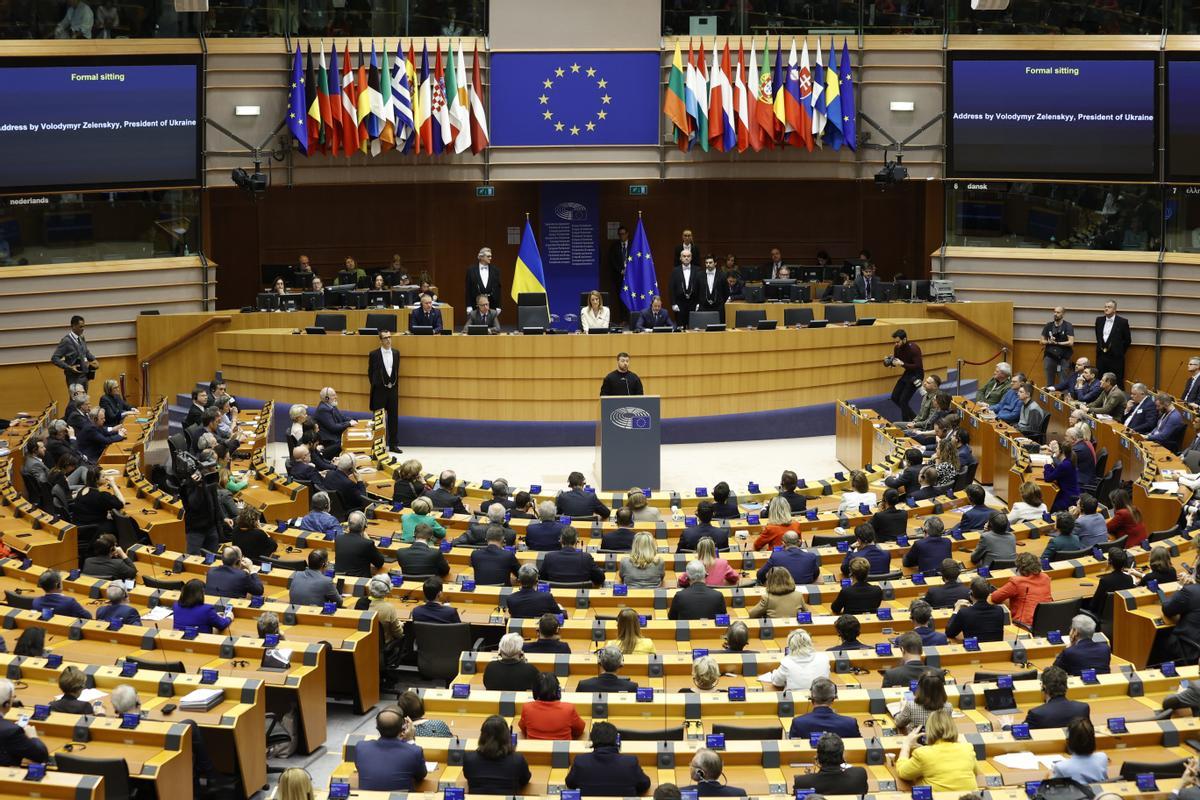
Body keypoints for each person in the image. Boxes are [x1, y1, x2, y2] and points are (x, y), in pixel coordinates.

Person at [891, 708, 979, 792]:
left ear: (929, 730)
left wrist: (906, 744)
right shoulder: (967, 748)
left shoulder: (922, 754)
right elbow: (976, 772)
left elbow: (903, 772)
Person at [564, 721, 651, 796]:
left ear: (593, 740)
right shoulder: (630, 762)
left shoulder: (580, 761)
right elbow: (644, 785)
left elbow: (570, 784)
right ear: (615, 739)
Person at [354, 707, 427, 791]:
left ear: (377, 728)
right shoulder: (414, 752)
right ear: (403, 728)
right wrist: (410, 740)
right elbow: (421, 775)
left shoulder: (361, 747)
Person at [464, 715, 532, 794]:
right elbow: (525, 780)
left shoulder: (469, 759)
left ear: (482, 735)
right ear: (507, 736)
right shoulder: (517, 760)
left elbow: (468, 777)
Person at [989, 551, 1053, 628]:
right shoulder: (1045, 578)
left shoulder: (1017, 582)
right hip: (1046, 621)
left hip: (1024, 625)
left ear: (1020, 569)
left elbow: (995, 597)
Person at [788, 677, 860, 739]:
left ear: (812, 698)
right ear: (833, 699)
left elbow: (793, 750)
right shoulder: (850, 723)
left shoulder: (798, 723)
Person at [518, 673, 584, 740]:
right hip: (561, 750)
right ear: (558, 691)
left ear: (534, 692)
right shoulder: (568, 708)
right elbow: (579, 730)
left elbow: (523, 729)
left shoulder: (527, 708)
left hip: (535, 749)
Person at [760, 629, 830, 691]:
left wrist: (775, 673)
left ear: (790, 645)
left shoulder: (787, 662)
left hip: (795, 701)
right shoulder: (824, 658)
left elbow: (777, 682)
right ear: (810, 642)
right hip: (820, 698)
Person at [0, 679, 48, 766]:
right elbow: (41, 756)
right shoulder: (12, 732)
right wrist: (33, 736)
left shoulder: (10, 729)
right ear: (6, 704)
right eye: (13, 698)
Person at [1023, 666, 1089, 728]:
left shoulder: (1036, 713)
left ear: (1044, 687)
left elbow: (1022, 733)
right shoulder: (1082, 708)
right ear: (1065, 686)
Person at [367, 330, 401, 451]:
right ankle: (378, 445)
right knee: (378, 418)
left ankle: (393, 444)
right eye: (385, 338)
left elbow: (396, 371)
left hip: (393, 391)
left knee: (393, 418)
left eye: (389, 337)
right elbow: (370, 373)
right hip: (379, 391)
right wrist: (378, 385)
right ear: (380, 340)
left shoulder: (396, 353)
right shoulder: (374, 354)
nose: (388, 340)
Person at [70, 466, 126, 537]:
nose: (106, 478)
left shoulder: (82, 490)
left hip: (80, 526)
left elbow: (92, 508)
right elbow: (122, 502)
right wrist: (113, 485)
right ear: (96, 479)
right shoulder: (101, 496)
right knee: (121, 525)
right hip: (91, 530)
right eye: (103, 476)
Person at [1050, 717, 1108, 784]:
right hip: (1100, 794)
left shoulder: (1060, 767)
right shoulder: (1102, 757)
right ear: (1093, 740)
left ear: (1069, 741)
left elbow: (1055, 789)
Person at [946, 578, 1006, 642]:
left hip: (973, 649)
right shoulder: (999, 610)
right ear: (988, 594)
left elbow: (949, 633)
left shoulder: (964, 613)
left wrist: (956, 609)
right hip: (995, 649)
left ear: (971, 593)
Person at [886, 329, 924, 422]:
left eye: (898, 342)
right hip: (908, 373)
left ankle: (906, 424)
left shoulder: (914, 348)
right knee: (894, 397)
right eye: (894, 342)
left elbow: (918, 365)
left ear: (904, 339)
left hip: (917, 374)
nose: (896, 344)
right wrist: (891, 362)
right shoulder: (897, 348)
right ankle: (915, 419)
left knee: (903, 401)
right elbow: (896, 360)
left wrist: (902, 364)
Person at [50, 315, 98, 388]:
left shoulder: (81, 337)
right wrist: (69, 367)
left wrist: (94, 359)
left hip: (85, 376)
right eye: (80, 327)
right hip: (73, 378)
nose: (83, 329)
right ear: (73, 326)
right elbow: (54, 358)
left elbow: (86, 352)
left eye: (83, 326)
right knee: (75, 399)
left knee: (84, 399)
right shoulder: (66, 341)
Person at [1087, 547, 1135, 616]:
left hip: (1104, 615)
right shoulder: (1129, 578)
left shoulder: (1105, 581)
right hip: (1121, 614)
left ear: (1109, 561)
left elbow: (1093, 606)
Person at [335, 511, 385, 577]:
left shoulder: (338, 539)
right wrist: (368, 539)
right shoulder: (367, 543)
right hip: (359, 582)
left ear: (348, 525)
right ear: (364, 526)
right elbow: (379, 563)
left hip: (340, 578)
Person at [1094, 299, 1132, 386]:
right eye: (1105, 307)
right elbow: (1098, 337)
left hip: (1116, 358)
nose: (1106, 309)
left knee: (1116, 380)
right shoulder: (1099, 320)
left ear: (1114, 310)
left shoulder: (1122, 322)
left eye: (1109, 307)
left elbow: (1127, 340)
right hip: (1101, 356)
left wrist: (1119, 351)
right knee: (1101, 380)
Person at [682, 748, 748, 797]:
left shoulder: (681, 794)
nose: (690, 767)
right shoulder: (739, 794)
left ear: (700, 773)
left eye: (692, 765)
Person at [1041, 306, 1075, 388]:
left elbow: (1071, 342)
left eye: (1058, 312)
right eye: (1054, 312)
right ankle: (1049, 395)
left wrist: (1057, 343)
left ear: (1063, 314)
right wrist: (1049, 342)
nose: (1055, 314)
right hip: (1050, 355)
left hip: (1064, 356)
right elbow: (1041, 341)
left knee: (1063, 380)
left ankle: (1063, 397)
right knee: (1049, 380)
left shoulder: (1068, 326)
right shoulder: (1049, 325)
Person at [365, 576, 403, 645]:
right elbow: (398, 634)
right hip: (383, 644)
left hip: (365, 642)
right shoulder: (389, 608)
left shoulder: (360, 602)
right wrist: (400, 625)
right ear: (387, 591)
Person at [466, 247, 502, 314]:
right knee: (476, 324)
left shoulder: (496, 270)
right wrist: (469, 305)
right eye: (488, 256)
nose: (490, 258)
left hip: (492, 304)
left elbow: (498, 289)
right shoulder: (471, 270)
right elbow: (468, 289)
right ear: (481, 257)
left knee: (492, 324)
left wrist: (498, 306)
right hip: (475, 304)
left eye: (491, 256)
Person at [669, 250, 699, 329]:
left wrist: (699, 303)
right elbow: (671, 288)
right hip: (679, 303)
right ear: (680, 258)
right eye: (684, 256)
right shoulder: (675, 270)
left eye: (688, 256)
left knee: (693, 327)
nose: (686, 258)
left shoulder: (697, 270)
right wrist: (673, 303)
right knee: (680, 327)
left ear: (691, 258)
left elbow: (700, 287)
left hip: (693, 302)